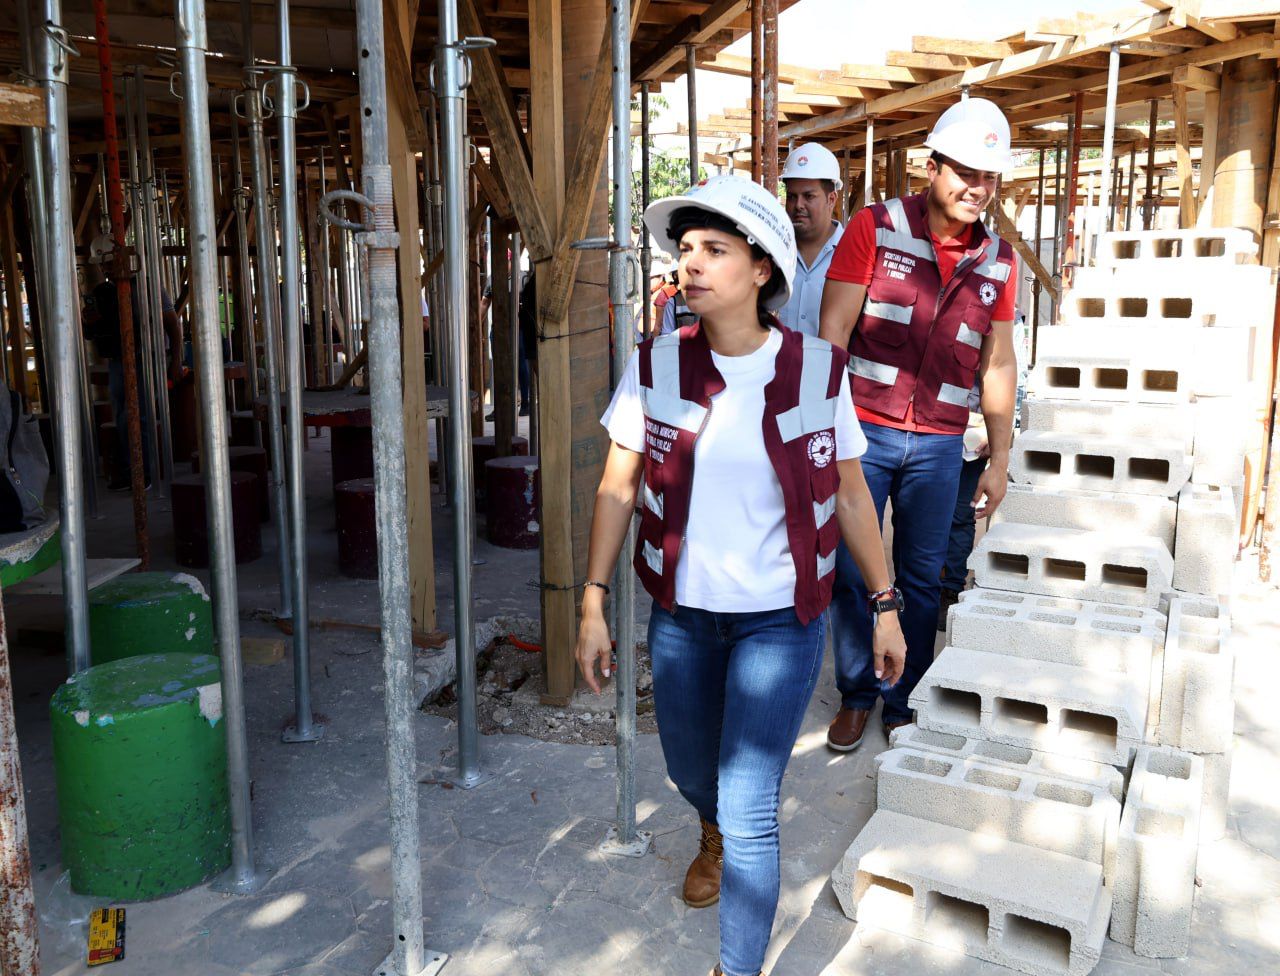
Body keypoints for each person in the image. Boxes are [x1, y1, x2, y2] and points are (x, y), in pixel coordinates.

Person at [574, 175, 907, 976]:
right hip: (684, 619)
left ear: (762, 270)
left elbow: (852, 497)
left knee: (752, 805)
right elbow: (618, 485)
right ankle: (710, 829)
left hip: (782, 623)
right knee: (693, 773)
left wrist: (886, 604)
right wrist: (592, 602)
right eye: (686, 248)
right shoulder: (656, 363)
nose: (690, 263)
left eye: (714, 250)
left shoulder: (818, 370)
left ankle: (738, 965)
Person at [818, 96, 1020, 750]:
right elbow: (833, 331)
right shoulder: (875, 228)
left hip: (938, 442)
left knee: (925, 575)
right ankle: (856, 692)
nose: (977, 187)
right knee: (854, 569)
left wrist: (1000, 458)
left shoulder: (999, 261)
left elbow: (998, 362)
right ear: (931, 168)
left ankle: (902, 696)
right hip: (863, 432)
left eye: (988, 176)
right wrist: (826, 431)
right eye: (965, 172)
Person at [82, 234, 184, 490]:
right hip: (119, 359)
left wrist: (176, 360)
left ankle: (144, 472)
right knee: (122, 414)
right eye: (102, 264)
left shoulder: (148, 286)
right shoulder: (105, 293)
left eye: (108, 263)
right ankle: (131, 468)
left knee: (140, 414)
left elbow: (173, 324)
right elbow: (96, 332)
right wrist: (89, 322)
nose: (105, 269)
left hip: (148, 356)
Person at [778, 142, 845, 336]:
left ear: (831, 199)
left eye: (808, 196)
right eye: (792, 196)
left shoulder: (853, 255)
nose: (798, 205)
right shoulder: (774, 252)